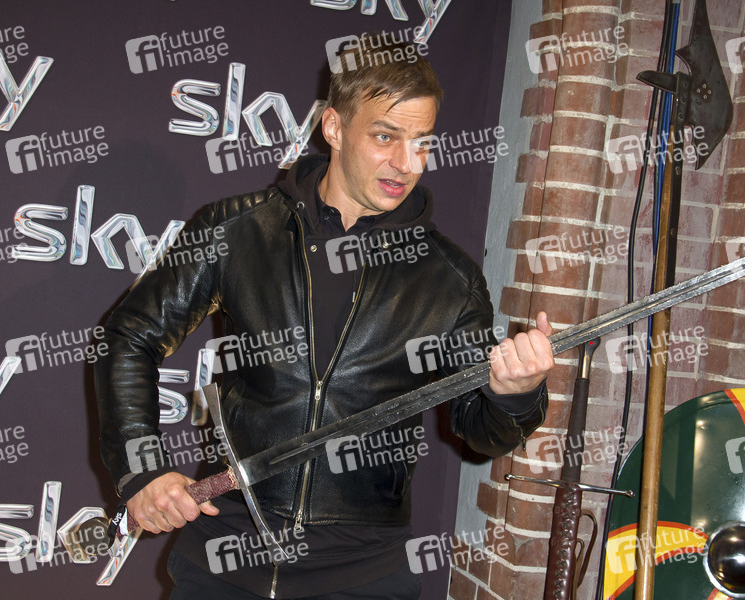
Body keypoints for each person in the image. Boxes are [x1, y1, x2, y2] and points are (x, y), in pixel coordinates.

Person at [95, 40, 556, 599]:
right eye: (385, 137)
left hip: (362, 574)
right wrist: (142, 469)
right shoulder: (236, 229)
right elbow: (129, 337)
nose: (407, 163)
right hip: (224, 558)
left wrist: (516, 394)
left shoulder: (449, 279)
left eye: (422, 142)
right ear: (334, 127)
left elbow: (482, 430)